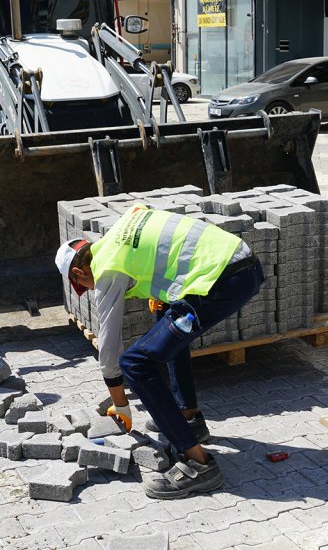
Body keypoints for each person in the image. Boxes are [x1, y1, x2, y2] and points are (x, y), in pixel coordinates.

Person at [56, 205, 265, 498]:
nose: (89, 290)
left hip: (223, 282)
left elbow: (109, 343)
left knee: (136, 364)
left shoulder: (106, 268)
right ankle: (189, 418)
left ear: (79, 272)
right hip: (243, 265)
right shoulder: (119, 233)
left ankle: (198, 463)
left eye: (83, 286)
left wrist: (121, 405)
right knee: (164, 312)